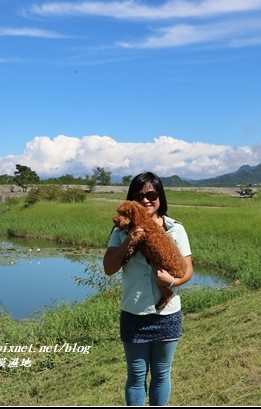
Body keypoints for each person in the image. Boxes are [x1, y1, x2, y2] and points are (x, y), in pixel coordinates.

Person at [103, 172, 193, 406]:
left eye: (151, 194)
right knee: (135, 376)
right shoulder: (120, 231)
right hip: (134, 312)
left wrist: (171, 283)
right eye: (139, 195)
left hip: (168, 313)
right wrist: (128, 240)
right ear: (131, 200)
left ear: (160, 196)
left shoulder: (175, 229)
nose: (146, 200)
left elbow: (187, 272)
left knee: (162, 374)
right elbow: (109, 268)